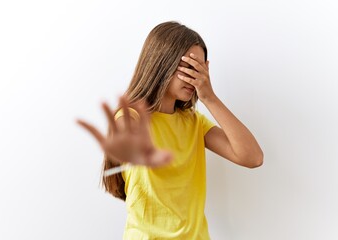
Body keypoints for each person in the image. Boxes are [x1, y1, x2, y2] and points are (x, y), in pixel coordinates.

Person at [77, 21, 263, 240]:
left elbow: (253, 157)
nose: (194, 77)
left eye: (200, 69)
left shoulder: (195, 123)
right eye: (188, 67)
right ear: (162, 62)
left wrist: (209, 97)